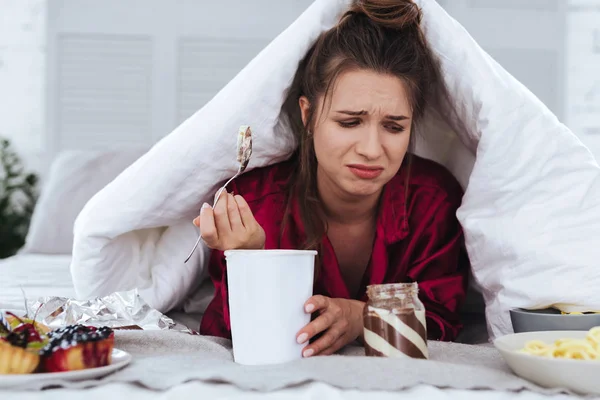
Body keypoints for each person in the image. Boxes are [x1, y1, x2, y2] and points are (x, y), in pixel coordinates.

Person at [194, 0, 469, 357]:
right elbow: (226, 332)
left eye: (394, 126)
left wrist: (364, 318)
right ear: (307, 115)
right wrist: (250, 259)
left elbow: (445, 320)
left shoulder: (432, 201)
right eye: (349, 122)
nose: (372, 149)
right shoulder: (252, 203)